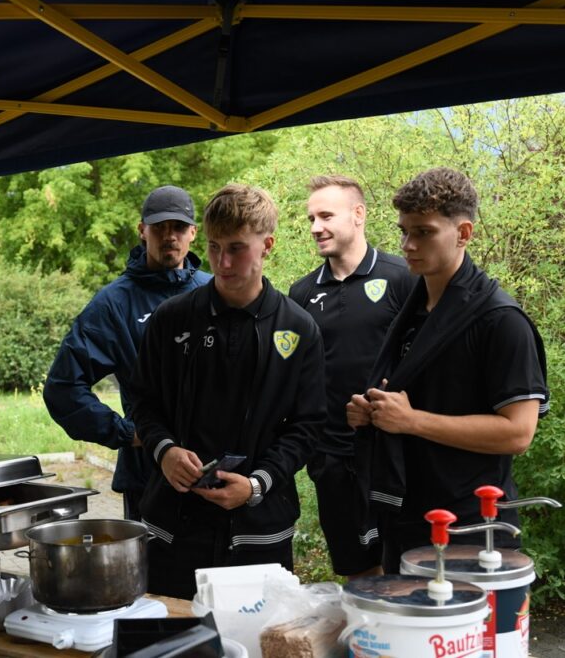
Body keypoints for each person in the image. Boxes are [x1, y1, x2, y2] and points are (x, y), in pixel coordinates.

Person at [128, 183, 326, 600]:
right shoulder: (171, 318)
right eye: (215, 248)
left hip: (260, 530)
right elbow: (142, 401)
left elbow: (307, 427)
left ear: (267, 245)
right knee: (174, 644)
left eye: (237, 248)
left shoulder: (299, 328)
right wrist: (164, 451)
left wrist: (256, 485)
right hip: (174, 527)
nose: (223, 262)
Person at [346, 167, 549, 573]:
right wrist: (372, 413)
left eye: (423, 232)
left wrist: (411, 421)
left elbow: (518, 432)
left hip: (470, 526)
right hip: (406, 514)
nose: (407, 244)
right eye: (404, 231)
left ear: (464, 233)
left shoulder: (500, 321)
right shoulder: (413, 310)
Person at [44, 185, 210, 520]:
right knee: (154, 574)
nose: (169, 236)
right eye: (159, 227)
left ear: (193, 232)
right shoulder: (114, 304)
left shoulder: (213, 291)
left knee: (217, 575)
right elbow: (62, 388)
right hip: (148, 478)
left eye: (178, 227)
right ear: (141, 231)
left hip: (214, 474)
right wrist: (127, 432)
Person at [289, 175, 416, 578]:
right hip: (331, 459)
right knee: (356, 573)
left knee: (402, 569)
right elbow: (297, 378)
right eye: (311, 218)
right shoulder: (302, 293)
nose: (315, 227)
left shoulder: (403, 278)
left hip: (393, 457)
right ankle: (367, 643)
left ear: (358, 215)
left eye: (326, 215)